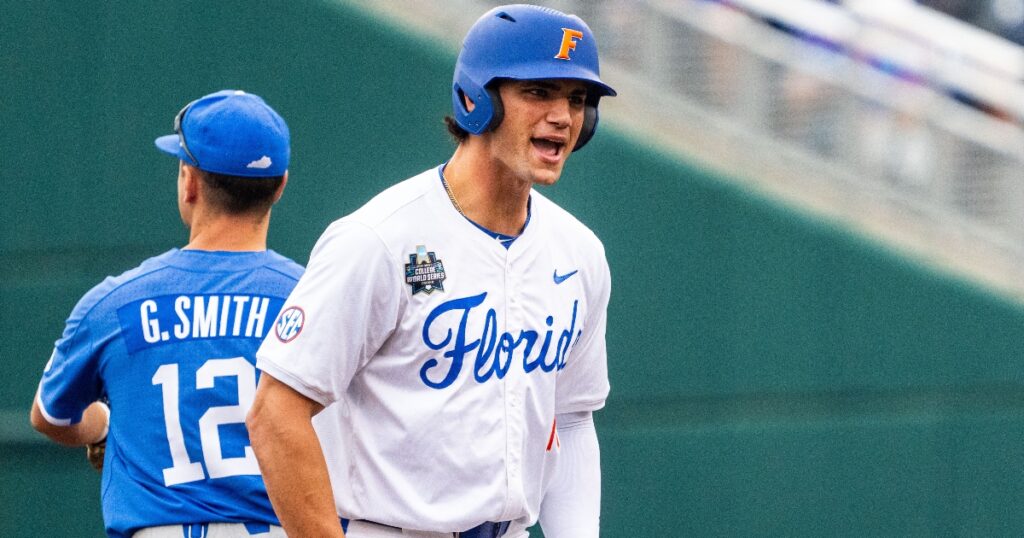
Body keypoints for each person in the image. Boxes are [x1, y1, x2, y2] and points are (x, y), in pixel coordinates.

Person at [248, 4, 616, 538]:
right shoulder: (378, 239)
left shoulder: (579, 253)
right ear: (477, 98)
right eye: (538, 92)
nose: (563, 115)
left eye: (578, 99)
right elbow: (275, 412)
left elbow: (575, 417)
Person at [30, 89, 303, 538]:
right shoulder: (313, 298)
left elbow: (52, 416)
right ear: (281, 185)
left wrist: (103, 426)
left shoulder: (113, 303)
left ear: (189, 180)